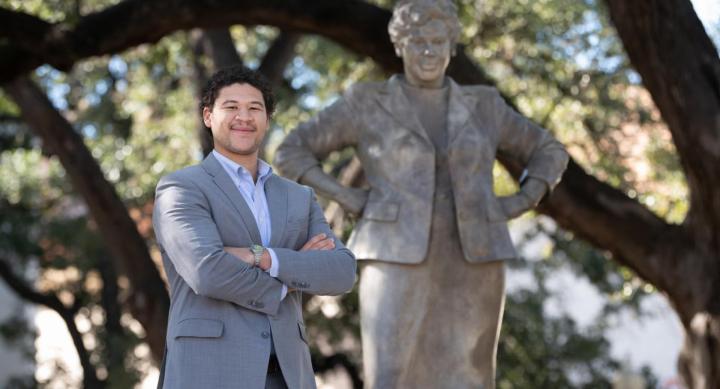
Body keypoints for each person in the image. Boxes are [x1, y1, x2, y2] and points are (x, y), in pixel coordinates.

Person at [273, 1, 569, 388]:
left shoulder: (485, 105)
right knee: (392, 372)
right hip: (395, 252)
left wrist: (522, 199)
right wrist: (346, 196)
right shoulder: (367, 103)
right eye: (417, 42)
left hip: (476, 255)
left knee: (473, 374)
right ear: (399, 45)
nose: (428, 52)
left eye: (437, 41)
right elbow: (290, 151)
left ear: (452, 47)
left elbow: (550, 150)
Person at [152, 65, 356, 389]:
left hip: (289, 376)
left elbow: (341, 271)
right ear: (208, 116)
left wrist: (261, 257)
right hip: (209, 373)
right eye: (231, 107)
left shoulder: (299, 196)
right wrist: (289, 279)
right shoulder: (181, 188)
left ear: (267, 119)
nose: (243, 117)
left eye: (254, 108)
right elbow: (207, 271)